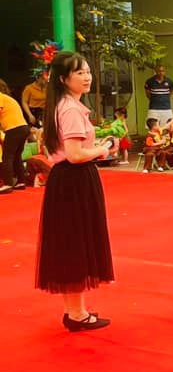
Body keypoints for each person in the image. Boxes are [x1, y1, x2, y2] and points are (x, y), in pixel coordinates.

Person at [36, 51, 115, 332]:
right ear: (63, 79)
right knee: (75, 245)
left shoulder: (65, 105)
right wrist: (103, 149)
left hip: (69, 180)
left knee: (73, 244)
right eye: (79, 72)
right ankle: (76, 314)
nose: (87, 77)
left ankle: (75, 311)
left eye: (88, 71)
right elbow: (75, 154)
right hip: (74, 180)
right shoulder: (70, 109)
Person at [0, 79, 30, 194]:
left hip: (14, 128)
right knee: (16, 156)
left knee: (7, 156)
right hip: (23, 127)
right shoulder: (7, 98)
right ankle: (21, 181)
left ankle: (8, 184)